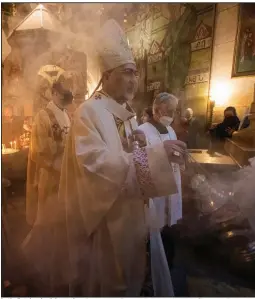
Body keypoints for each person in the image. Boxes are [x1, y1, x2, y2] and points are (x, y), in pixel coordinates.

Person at [57, 19, 186, 297]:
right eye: (127, 72)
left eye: (136, 73)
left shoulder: (124, 112)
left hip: (131, 215)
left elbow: (125, 155)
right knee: (109, 282)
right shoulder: (89, 112)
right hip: (106, 220)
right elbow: (95, 166)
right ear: (106, 75)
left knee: (134, 277)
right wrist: (154, 156)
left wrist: (138, 145)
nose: (134, 80)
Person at [22, 73, 73, 295]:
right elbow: (39, 151)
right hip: (50, 177)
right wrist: (59, 165)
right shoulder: (43, 116)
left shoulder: (66, 115)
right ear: (53, 93)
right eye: (62, 94)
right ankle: (31, 261)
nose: (66, 98)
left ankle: (57, 268)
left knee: (61, 224)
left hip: (66, 176)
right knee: (47, 221)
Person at [139, 92, 182, 229]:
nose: (171, 114)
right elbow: (140, 160)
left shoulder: (170, 130)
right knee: (155, 223)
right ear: (156, 110)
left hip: (172, 177)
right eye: (168, 110)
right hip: (155, 183)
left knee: (170, 224)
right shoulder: (142, 131)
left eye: (173, 111)